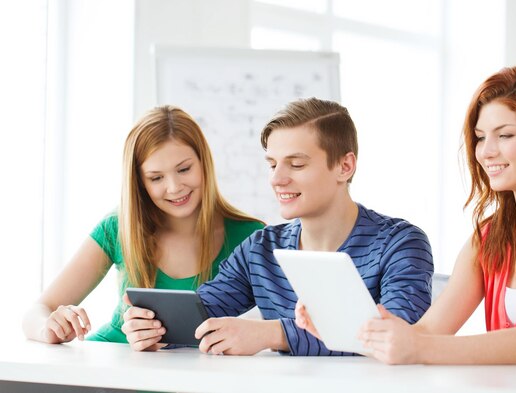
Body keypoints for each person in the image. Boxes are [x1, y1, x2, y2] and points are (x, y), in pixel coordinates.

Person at [300, 64, 516, 366]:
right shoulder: (488, 238)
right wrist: (347, 331)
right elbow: (429, 332)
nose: (486, 151)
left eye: (505, 135)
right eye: (481, 137)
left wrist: (415, 346)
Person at [122, 97, 434, 355]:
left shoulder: (401, 244)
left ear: (345, 166)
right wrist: (152, 326)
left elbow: (397, 335)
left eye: (296, 164)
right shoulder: (262, 249)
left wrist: (274, 334)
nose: (277, 179)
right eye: (272, 164)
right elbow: (201, 314)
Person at [22, 105, 263, 344]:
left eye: (184, 169)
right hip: (112, 366)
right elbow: (37, 311)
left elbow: (291, 327)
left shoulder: (252, 238)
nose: (174, 187)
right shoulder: (117, 228)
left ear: (204, 163)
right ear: (140, 183)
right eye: (156, 177)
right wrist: (50, 328)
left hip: (192, 378)